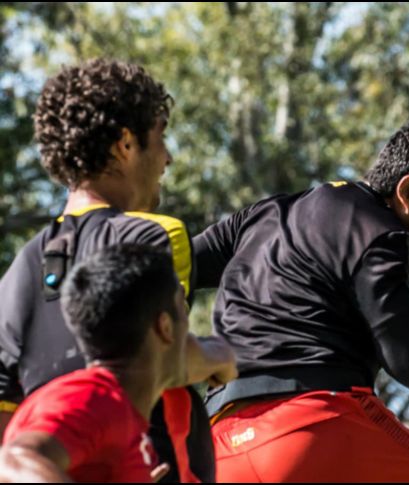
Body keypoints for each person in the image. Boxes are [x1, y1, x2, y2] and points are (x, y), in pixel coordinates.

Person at [194, 116, 409, 482]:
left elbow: (172, 263)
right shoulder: (385, 234)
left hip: (217, 450)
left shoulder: (268, 213)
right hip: (314, 428)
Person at [0, 58, 236, 482]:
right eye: (160, 138)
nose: (166, 158)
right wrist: (223, 356)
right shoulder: (146, 238)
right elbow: (170, 349)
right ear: (125, 145)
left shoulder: (17, 273)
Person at [0, 245, 201, 482]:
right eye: (182, 310)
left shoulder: (121, 413)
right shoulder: (92, 398)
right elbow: (15, 460)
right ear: (165, 327)